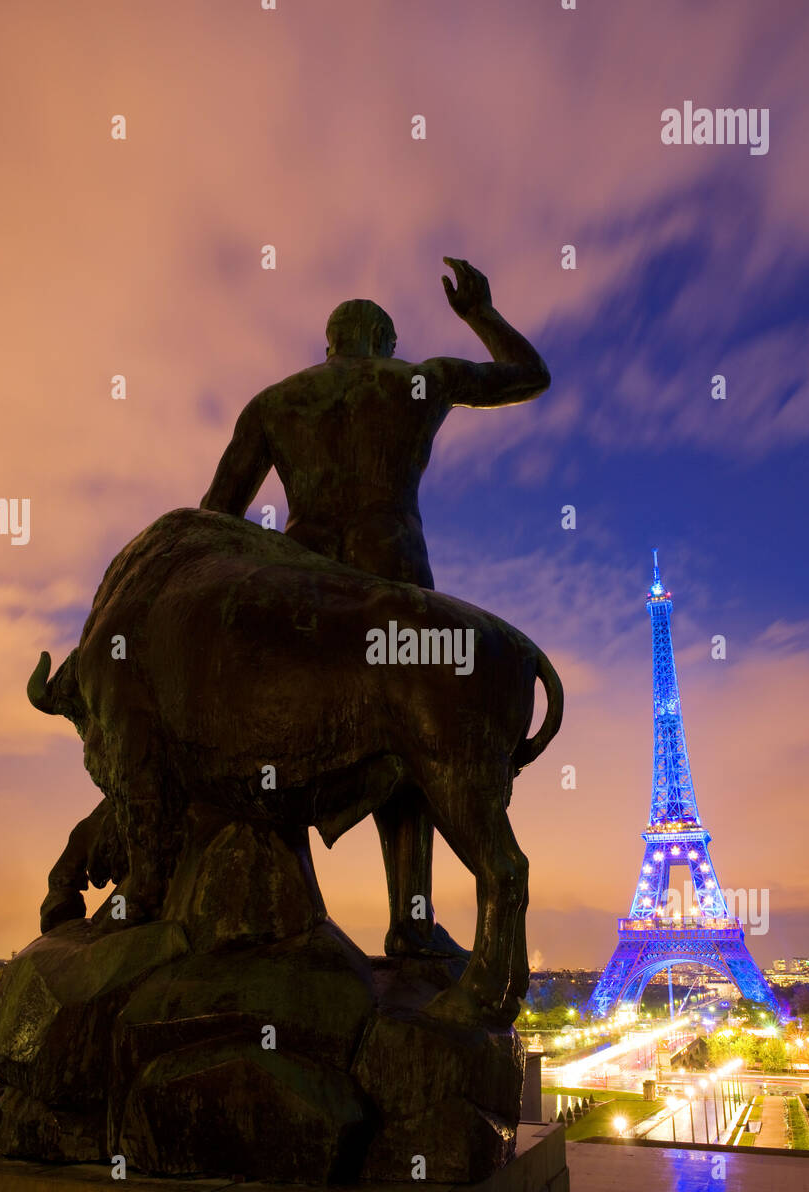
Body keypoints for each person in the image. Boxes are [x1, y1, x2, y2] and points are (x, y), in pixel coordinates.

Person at [200, 257, 551, 959]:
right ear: (385, 343)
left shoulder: (276, 402)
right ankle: (409, 925)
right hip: (394, 577)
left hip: (306, 591)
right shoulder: (418, 381)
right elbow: (529, 375)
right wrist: (480, 312)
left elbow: (216, 519)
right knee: (413, 747)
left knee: (282, 734)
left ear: (330, 342)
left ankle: (273, 914)